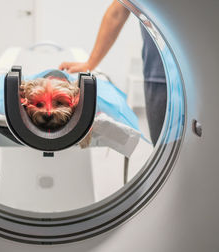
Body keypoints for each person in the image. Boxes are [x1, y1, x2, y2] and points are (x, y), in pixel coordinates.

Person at [59, 0, 167, 146]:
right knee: (165, 148)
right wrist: (90, 64)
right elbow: (117, 12)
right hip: (161, 72)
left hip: (197, 69)